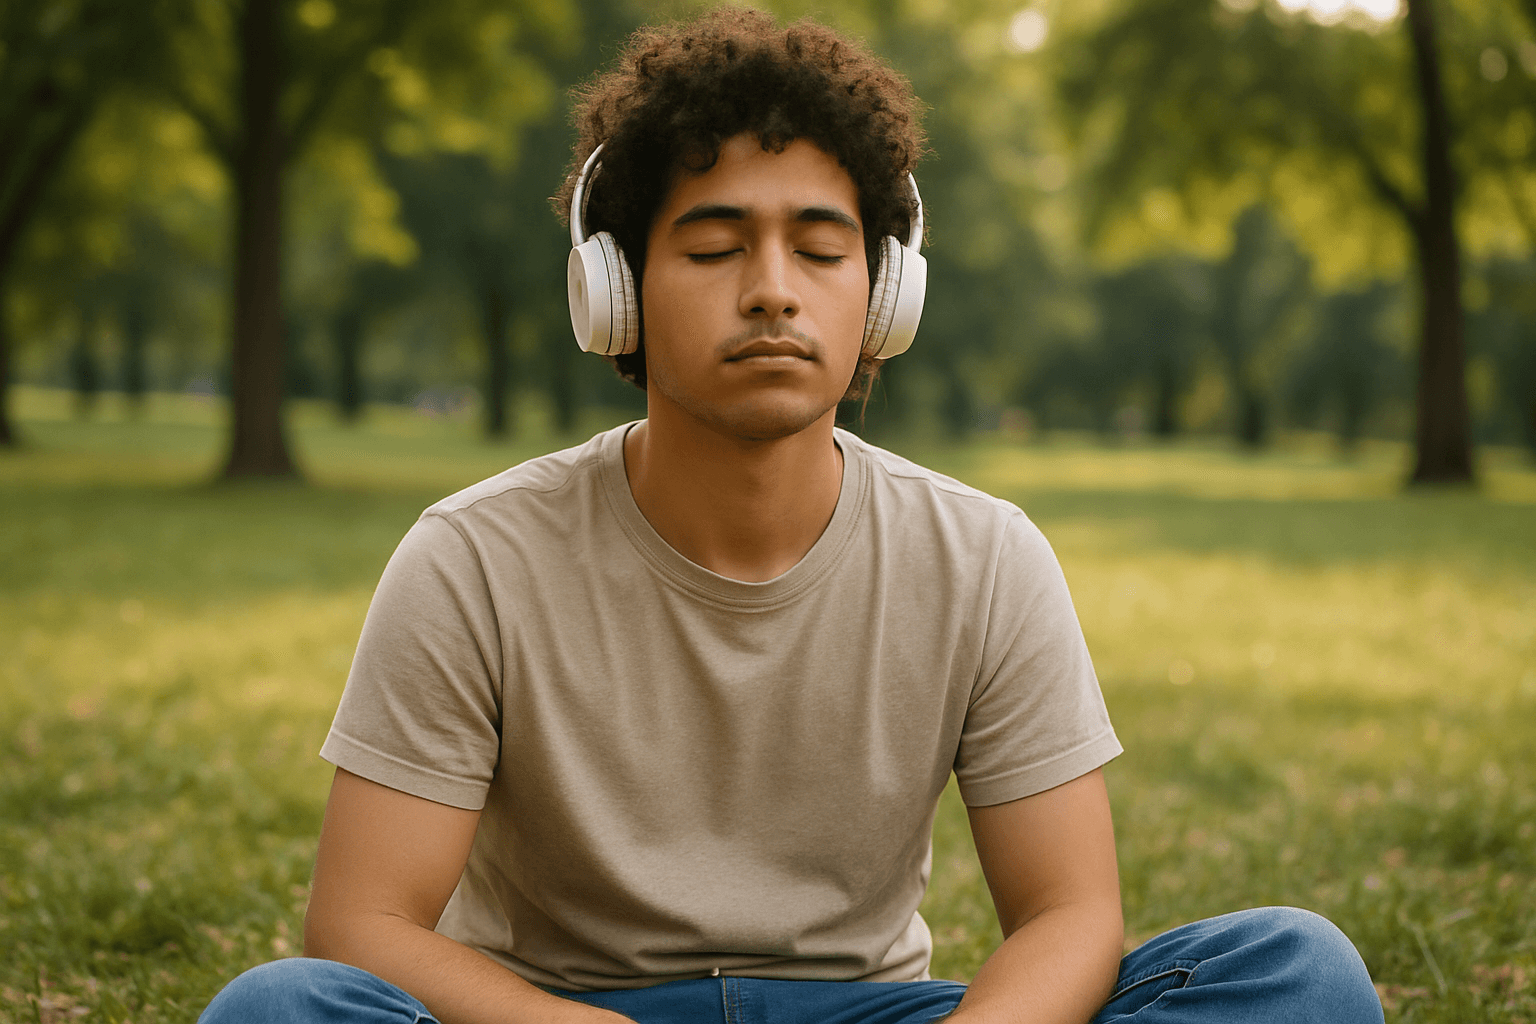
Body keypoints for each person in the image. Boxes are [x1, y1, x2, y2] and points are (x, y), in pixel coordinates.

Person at [200, 9, 1385, 1024]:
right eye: (715, 245)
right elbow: (360, 925)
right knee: (278, 1010)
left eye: (821, 250)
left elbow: (1070, 912)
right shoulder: (472, 557)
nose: (772, 287)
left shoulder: (985, 556)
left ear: (884, 297)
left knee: (1298, 973)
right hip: (563, 1008)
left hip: (870, 1005)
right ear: (610, 292)